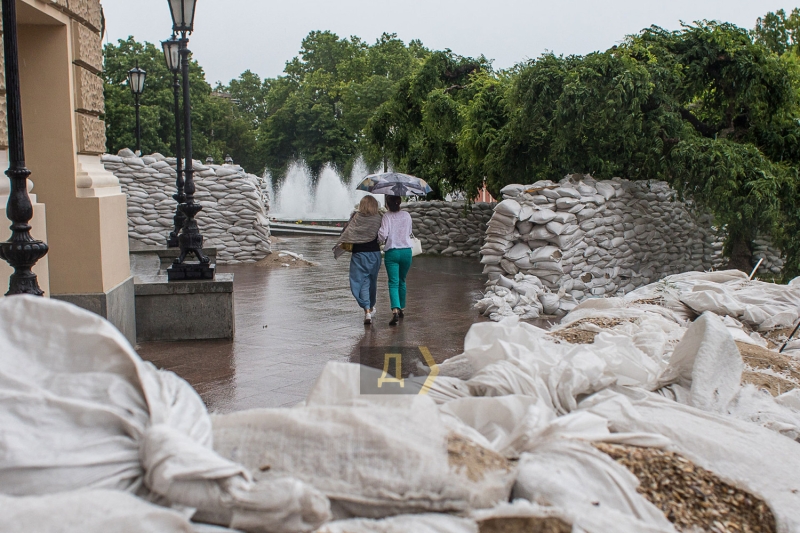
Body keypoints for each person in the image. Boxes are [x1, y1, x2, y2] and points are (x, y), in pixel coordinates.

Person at [334, 195, 383, 325]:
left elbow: (345, 233)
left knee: (359, 282)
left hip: (359, 255)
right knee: (371, 282)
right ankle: (370, 307)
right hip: (374, 254)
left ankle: (367, 310)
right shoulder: (379, 218)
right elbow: (382, 235)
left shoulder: (355, 218)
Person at [378, 195, 413, 326]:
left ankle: (395, 310)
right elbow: (409, 231)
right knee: (402, 280)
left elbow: (383, 234)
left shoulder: (386, 216)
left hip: (392, 252)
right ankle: (402, 308)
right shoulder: (407, 215)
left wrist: (378, 238)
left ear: (387, 203)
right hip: (406, 252)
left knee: (393, 282)